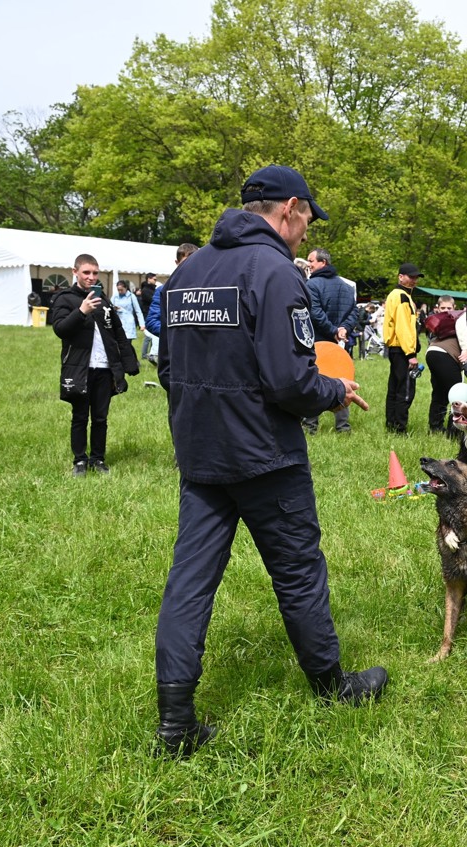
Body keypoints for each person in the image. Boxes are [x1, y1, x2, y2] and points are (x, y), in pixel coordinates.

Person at [153, 164, 385, 757]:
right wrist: (337, 392)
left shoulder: (186, 273)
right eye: (308, 216)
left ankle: (174, 722)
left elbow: (168, 371)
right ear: (289, 208)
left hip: (201, 456)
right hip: (265, 458)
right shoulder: (275, 272)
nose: (308, 231)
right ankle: (332, 685)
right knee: (299, 570)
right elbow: (290, 381)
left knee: (189, 582)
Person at [51, 254, 140, 476]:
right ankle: (80, 460)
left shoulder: (105, 303)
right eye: (86, 273)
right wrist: (81, 311)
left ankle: (98, 459)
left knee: (100, 417)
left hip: (104, 369)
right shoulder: (65, 299)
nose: (91, 277)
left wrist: (129, 364)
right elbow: (60, 329)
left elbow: (118, 334)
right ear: (75, 272)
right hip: (79, 369)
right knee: (80, 416)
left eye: (94, 273)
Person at [304, 247, 359, 434]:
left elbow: (315, 313)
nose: (308, 264)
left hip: (318, 343)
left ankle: (310, 425)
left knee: (313, 381)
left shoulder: (311, 285)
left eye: (311, 260)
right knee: (343, 379)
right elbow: (354, 312)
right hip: (340, 343)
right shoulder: (346, 286)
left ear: (323, 263)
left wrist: (334, 330)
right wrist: (343, 330)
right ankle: (343, 426)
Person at [382, 262, 421, 433]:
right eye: (411, 277)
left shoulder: (395, 294)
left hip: (395, 349)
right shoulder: (402, 297)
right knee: (405, 390)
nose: (414, 280)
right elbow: (403, 326)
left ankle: (391, 424)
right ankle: (399, 427)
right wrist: (411, 353)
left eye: (416, 277)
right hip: (402, 350)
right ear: (400, 277)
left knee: (394, 388)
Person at [145, 244, 200, 365]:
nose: (190, 267)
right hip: (174, 354)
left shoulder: (206, 288)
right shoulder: (164, 290)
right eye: (185, 262)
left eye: (195, 262)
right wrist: (174, 334)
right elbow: (152, 321)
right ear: (177, 262)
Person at [424, 295, 466, 435]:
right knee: (458, 395)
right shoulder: (458, 322)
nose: (446, 311)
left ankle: (435, 428)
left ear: (454, 308)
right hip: (444, 355)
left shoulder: (448, 323)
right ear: (437, 308)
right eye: (443, 308)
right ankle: (454, 431)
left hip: (432, 353)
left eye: (449, 308)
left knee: (440, 393)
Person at [110, 280, 145, 354]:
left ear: (126, 288)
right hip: (118, 322)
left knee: (127, 344)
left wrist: (142, 324)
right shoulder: (115, 296)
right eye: (118, 290)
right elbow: (109, 306)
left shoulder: (132, 296)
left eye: (121, 290)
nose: (120, 291)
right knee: (121, 344)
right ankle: (133, 361)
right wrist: (114, 308)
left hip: (129, 323)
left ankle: (133, 361)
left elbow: (138, 311)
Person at [137, 273, 158, 360]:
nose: (155, 281)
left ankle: (150, 353)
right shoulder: (145, 290)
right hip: (147, 315)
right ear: (148, 279)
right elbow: (152, 300)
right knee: (148, 336)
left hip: (152, 314)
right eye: (154, 279)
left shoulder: (153, 290)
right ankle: (145, 354)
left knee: (153, 336)